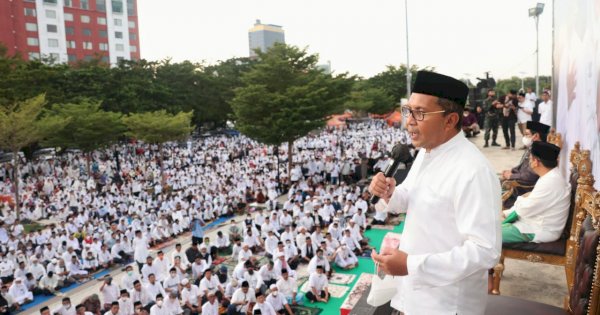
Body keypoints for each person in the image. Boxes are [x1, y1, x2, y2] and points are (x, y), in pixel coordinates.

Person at [369, 71, 501, 314]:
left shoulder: (473, 171)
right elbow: (411, 196)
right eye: (409, 110)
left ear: (450, 120)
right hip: (415, 295)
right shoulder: (426, 152)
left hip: (447, 304)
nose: (409, 121)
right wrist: (388, 192)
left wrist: (411, 265)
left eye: (419, 113)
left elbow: (485, 251)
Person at [502, 142, 570, 243]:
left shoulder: (550, 182)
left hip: (538, 230)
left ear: (536, 162)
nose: (529, 162)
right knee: (489, 226)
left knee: (488, 234)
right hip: (531, 223)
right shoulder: (550, 176)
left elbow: (524, 209)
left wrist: (521, 198)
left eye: (530, 159)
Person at [501, 121, 550, 209]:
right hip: (520, 179)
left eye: (527, 134)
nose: (525, 137)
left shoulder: (539, 152)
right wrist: (511, 171)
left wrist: (511, 176)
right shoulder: (533, 147)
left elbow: (530, 176)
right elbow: (522, 165)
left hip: (523, 188)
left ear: (536, 136)